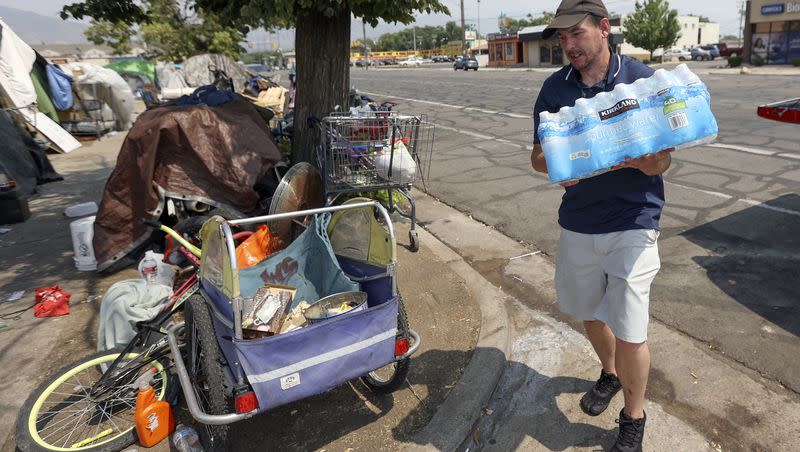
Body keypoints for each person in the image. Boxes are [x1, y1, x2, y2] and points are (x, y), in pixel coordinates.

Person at [531, 0, 674, 451]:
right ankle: (609, 375)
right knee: (589, 310)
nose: (568, 44)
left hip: (634, 219)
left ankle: (634, 418)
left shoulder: (642, 80)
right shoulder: (555, 90)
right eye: (562, 37)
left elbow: (664, 159)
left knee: (630, 328)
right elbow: (537, 156)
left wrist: (643, 158)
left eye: (577, 34)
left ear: (605, 29)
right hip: (578, 222)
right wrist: (556, 165)